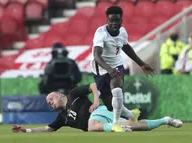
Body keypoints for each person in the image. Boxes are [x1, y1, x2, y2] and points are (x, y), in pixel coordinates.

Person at [11, 84, 182, 133]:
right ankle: (166, 120)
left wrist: (96, 101)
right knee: (136, 127)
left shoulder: (73, 94)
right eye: (48, 103)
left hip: (100, 112)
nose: (49, 102)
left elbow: (93, 85)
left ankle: (117, 127)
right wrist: (25, 131)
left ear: (60, 95)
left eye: (51, 99)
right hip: (102, 122)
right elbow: (48, 129)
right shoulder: (62, 118)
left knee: (91, 126)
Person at [90, 6, 154, 128]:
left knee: (116, 87)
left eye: (117, 20)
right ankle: (131, 115)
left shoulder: (123, 32)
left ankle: (116, 123)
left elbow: (126, 47)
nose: (114, 23)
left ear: (121, 20)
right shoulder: (101, 33)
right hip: (101, 69)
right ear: (107, 21)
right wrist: (108, 69)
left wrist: (141, 63)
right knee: (110, 106)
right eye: (111, 21)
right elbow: (96, 55)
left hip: (116, 65)